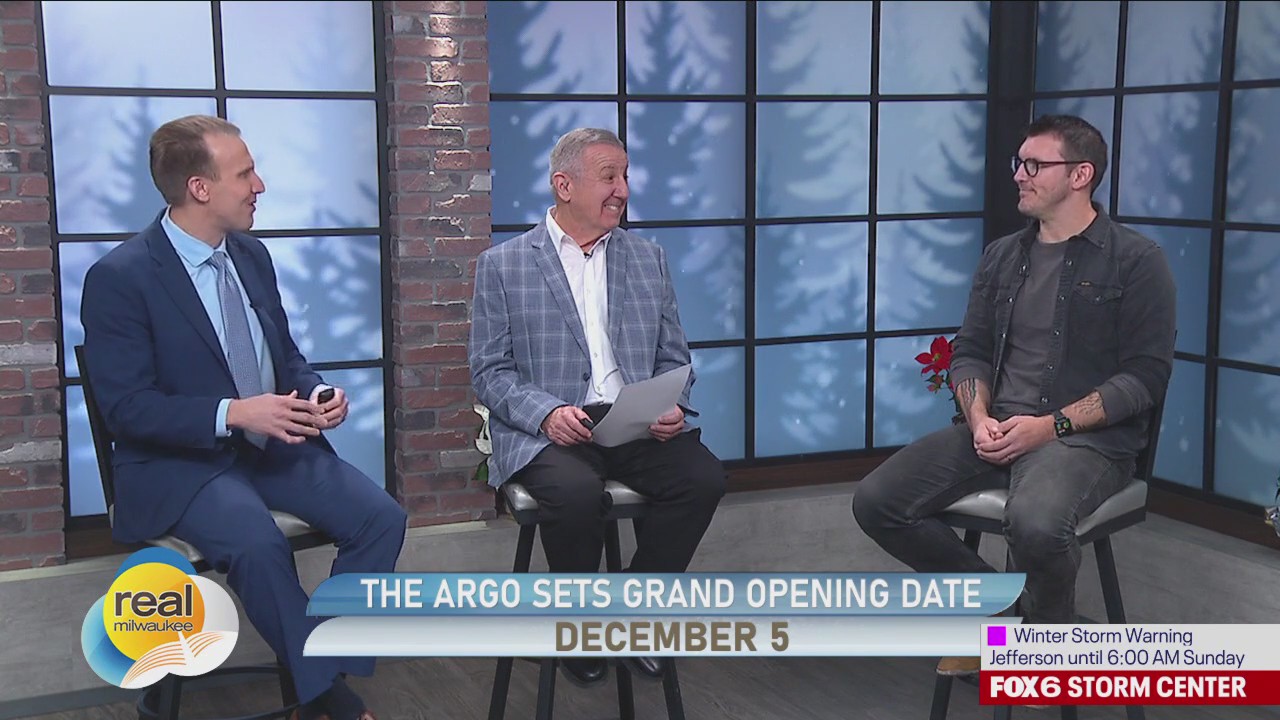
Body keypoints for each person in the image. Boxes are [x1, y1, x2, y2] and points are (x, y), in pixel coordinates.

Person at [80, 115, 405, 720]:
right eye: (245, 174)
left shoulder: (251, 256)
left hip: (271, 449)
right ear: (200, 188)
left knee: (381, 518)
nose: (260, 186)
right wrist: (232, 412)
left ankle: (318, 667)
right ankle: (327, 694)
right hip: (182, 466)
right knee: (258, 545)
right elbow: (127, 409)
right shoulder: (121, 278)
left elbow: (285, 357)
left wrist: (316, 392)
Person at [852, 114, 1176, 675]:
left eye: (1034, 165)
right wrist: (978, 416)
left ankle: (1043, 659)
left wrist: (1048, 427)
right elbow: (971, 349)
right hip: (997, 426)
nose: (1019, 175)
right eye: (1018, 163)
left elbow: (1145, 377)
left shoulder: (1136, 260)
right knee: (878, 502)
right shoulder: (1002, 256)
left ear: (1080, 175)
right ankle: (1000, 613)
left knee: (1036, 524)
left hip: (1085, 443)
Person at [469, 127, 726, 686]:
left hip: (633, 423)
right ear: (564, 186)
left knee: (703, 478)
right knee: (577, 493)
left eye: (626, 177)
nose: (623, 190)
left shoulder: (648, 259)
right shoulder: (503, 265)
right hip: (550, 426)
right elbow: (489, 371)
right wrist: (545, 413)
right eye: (610, 177)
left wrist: (673, 403)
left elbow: (673, 357)